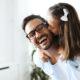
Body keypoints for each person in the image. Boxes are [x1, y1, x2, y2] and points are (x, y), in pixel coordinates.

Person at [22, 3, 80, 80]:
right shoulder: (38, 59)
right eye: (31, 34)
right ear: (29, 40)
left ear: (48, 26)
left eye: (40, 28)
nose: (37, 35)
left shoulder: (73, 49)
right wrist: (39, 49)